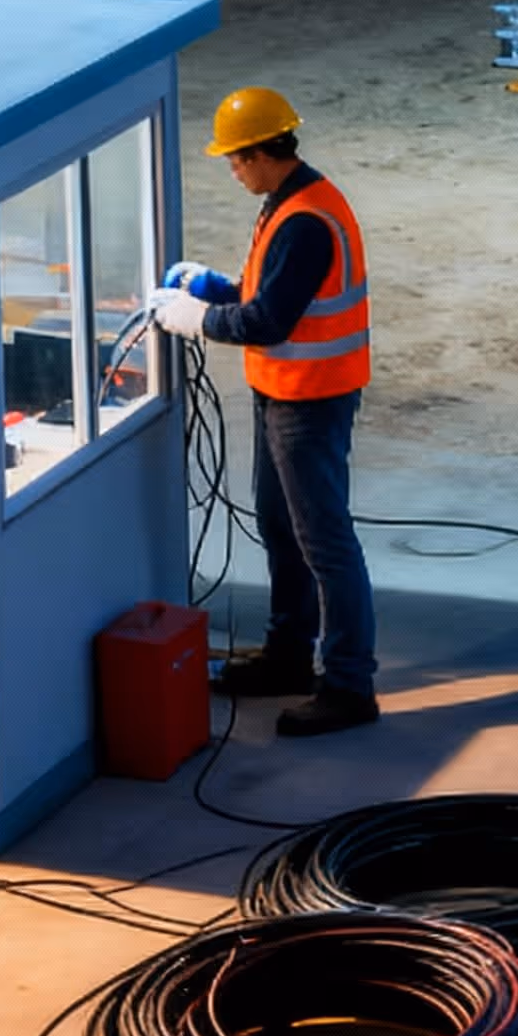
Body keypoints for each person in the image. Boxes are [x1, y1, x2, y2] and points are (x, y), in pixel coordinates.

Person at [146, 87, 382, 738]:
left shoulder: (306, 220)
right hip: (284, 392)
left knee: (326, 543)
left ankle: (349, 685)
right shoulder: (287, 203)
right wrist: (213, 286)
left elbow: (269, 319)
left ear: (261, 152)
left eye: (234, 159)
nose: (231, 169)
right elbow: (266, 291)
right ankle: (287, 657)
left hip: (312, 398)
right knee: (281, 529)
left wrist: (197, 319)